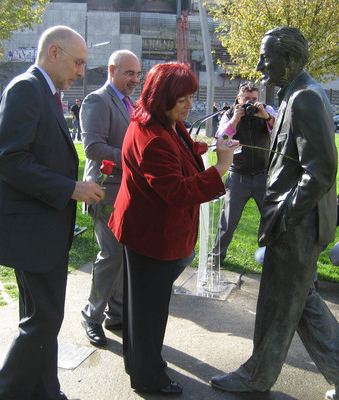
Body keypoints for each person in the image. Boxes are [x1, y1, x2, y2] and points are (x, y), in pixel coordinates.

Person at [210, 27, 339, 400]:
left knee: (278, 304)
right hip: (296, 222)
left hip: (297, 224)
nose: (261, 64)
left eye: (267, 56)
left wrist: (288, 214)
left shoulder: (305, 98)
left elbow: (322, 169)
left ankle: (257, 376)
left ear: (290, 59)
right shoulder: (297, 93)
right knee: (299, 299)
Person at [0, 25, 104, 400]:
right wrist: (70, 188)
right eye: (78, 62)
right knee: (44, 320)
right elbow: (8, 159)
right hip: (31, 231)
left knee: (40, 319)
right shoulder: (26, 88)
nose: (81, 71)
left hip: (41, 228)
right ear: (54, 52)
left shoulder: (44, 91)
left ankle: (47, 394)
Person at [108, 62, 239, 395]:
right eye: (182, 99)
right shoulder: (152, 137)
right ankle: (149, 379)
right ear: (162, 96)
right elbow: (179, 192)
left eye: (191, 98)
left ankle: (137, 364)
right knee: (149, 314)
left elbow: (181, 151)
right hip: (151, 236)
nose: (190, 106)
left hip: (145, 230)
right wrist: (220, 168)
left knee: (142, 310)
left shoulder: (160, 122)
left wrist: (208, 149)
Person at [79, 49, 141, 347]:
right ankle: (92, 315)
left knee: (124, 255)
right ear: (112, 69)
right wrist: (135, 159)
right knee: (112, 254)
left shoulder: (131, 104)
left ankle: (117, 315)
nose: (135, 80)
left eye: (137, 74)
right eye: (129, 73)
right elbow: (93, 147)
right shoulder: (97, 100)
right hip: (104, 190)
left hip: (129, 193)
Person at [209, 82, 275, 267]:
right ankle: (215, 257)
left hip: (263, 174)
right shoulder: (230, 114)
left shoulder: (266, 110)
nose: (251, 104)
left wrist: (266, 116)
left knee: (270, 219)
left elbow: (281, 130)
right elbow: (220, 140)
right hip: (238, 175)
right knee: (228, 220)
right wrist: (235, 120)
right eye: (247, 100)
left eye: (254, 99)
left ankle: (272, 259)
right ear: (239, 99)